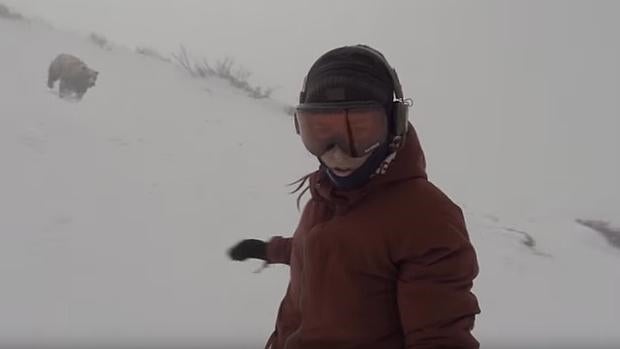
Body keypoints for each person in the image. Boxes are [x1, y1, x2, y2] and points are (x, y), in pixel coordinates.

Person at [228, 44, 481, 349]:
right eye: (320, 132)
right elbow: (318, 250)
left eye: (358, 130)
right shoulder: (325, 197)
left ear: (394, 124)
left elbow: (440, 337)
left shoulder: (426, 218)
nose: (337, 154)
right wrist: (268, 249)